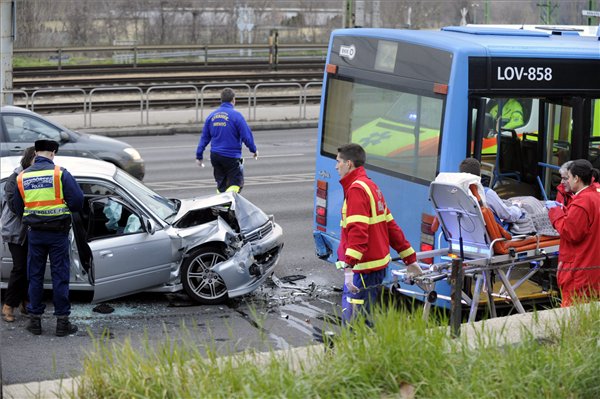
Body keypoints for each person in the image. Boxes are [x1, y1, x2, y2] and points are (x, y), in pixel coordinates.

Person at [335, 143, 419, 324]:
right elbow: (391, 227)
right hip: (374, 268)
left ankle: (356, 351)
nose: (336, 166)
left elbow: (358, 233)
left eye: (338, 162)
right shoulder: (371, 186)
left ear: (349, 163)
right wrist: (410, 260)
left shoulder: (357, 190)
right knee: (363, 316)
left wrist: (349, 267)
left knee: (354, 323)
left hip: (363, 270)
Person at [13, 140, 84, 336]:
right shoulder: (60, 173)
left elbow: (18, 207)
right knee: (60, 276)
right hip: (58, 234)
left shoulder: (22, 177)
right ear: (53, 153)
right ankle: (62, 323)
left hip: (35, 234)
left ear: (36, 153)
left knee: (34, 276)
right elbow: (78, 202)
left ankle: (35, 322)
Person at [547, 159, 600, 307]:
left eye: (568, 177)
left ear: (576, 178)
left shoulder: (581, 202)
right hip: (594, 269)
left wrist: (555, 212)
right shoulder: (596, 195)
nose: (566, 182)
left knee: (572, 314)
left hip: (579, 271)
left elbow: (571, 232)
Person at [195, 88, 258, 193]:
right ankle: (228, 204)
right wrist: (253, 150)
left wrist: (199, 156)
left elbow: (204, 138)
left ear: (221, 100)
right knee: (236, 184)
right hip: (231, 157)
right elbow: (246, 136)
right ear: (234, 100)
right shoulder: (236, 116)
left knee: (221, 185)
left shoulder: (211, 116)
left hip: (215, 156)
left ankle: (221, 204)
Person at [1, 147, 36, 322]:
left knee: (30, 268)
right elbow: (16, 208)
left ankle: (25, 302)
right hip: (15, 231)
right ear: (28, 160)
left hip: (31, 229)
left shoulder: (38, 176)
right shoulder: (14, 179)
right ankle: (8, 305)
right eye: (36, 159)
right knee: (20, 267)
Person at [459, 158, 523, 229]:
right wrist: (517, 207)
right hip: (495, 235)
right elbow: (508, 215)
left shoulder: (459, 195)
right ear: (480, 175)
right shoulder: (487, 194)